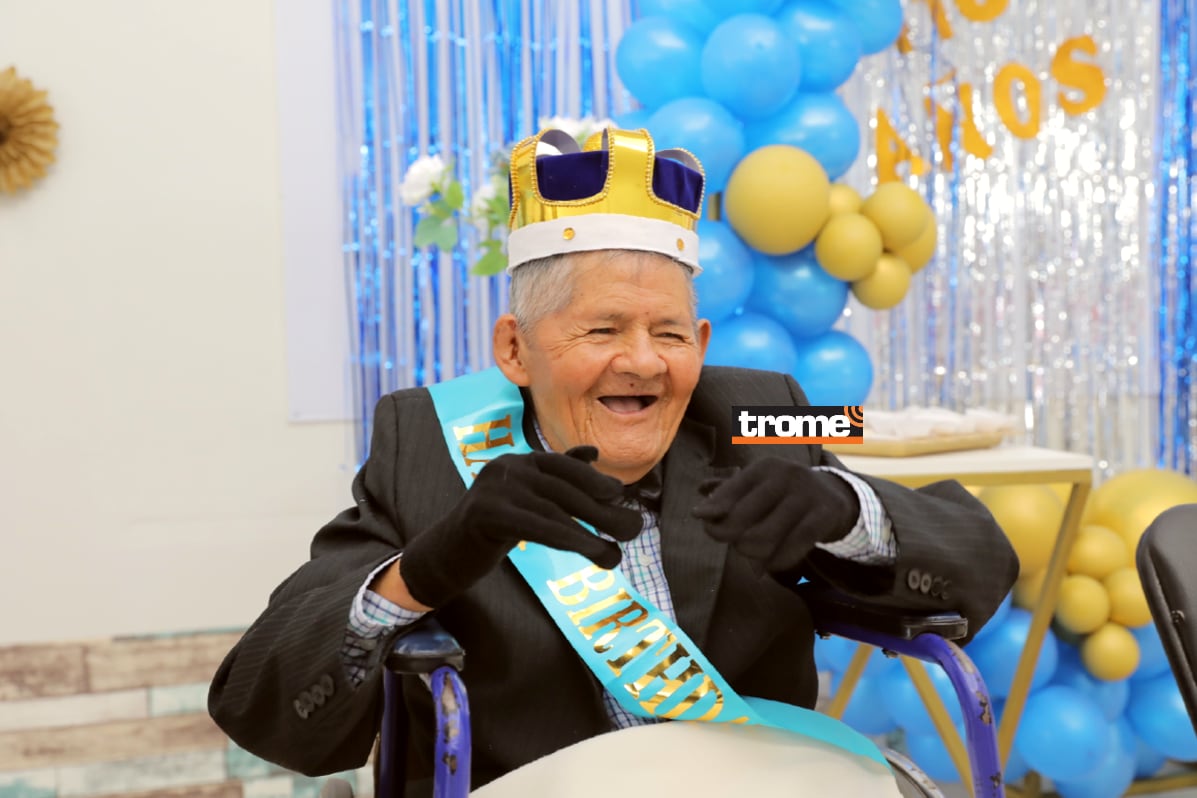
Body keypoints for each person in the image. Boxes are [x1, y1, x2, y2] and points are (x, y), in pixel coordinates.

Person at [209, 127, 1018, 793]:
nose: (642, 363)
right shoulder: (424, 437)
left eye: (668, 334)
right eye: (601, 331)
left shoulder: (757, 407)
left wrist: (850, 514)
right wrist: (421, 571)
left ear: (699, 345)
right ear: (516, 349)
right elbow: (260, 703)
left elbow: (981, 559)